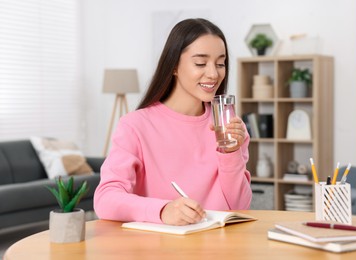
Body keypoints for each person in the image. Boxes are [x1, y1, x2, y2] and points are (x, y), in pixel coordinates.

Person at [94, 18, 252, 226]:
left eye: (220, 63)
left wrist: (231, 153)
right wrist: (162, 211)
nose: (214, 74)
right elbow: (105, 199)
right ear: (174, 66)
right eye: (200, 63)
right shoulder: (136, 126)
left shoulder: (229, 127)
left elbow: (239, 206)